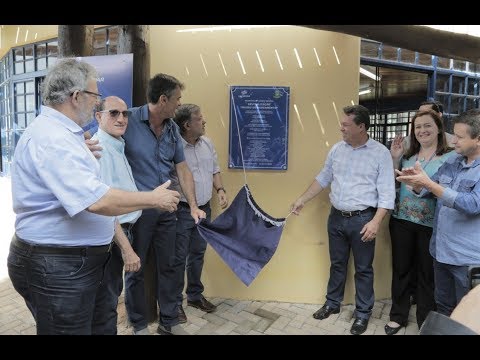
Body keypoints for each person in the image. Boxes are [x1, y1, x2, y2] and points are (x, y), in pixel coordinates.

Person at [7, 58, 180, 335]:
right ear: (76, 97)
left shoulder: (65, 135)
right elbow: (96, 201)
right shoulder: (55, 138)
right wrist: (153, 199)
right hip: (58, 267)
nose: (95, 103)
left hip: (71, 263)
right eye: (94, 96)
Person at [290, 105, 395, 335]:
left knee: (363, 269)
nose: (341, 128)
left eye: (346, 124)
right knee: (337, 264)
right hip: (336, 218)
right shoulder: (337, 150)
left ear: (361, 126)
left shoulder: (380, 153)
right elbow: (323, 178)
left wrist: (375, 222)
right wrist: (302, 199)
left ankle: (363, 314)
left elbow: (387, 193)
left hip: (363, 220)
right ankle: (332, 303)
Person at [122, 74, 205, 335]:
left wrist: (192, 205)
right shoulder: (128, 120)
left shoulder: (171, 129)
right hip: (138, 213)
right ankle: (138, 325)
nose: (179, 106)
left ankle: (168, 323)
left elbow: (182, 168)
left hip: (168, 211)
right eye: (177, 100)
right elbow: (102, 138)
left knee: (169, 266)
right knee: (135, 268)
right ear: (163, 99)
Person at [396, 108, 480, 317]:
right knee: (443, 307)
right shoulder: (454, 161)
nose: (454, 142)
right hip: (441, 252)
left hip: (467, 260)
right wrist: (416, 183)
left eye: (460, 137)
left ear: (478, 139)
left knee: (466, 316)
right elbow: (430, 188)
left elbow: (471, 204)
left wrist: (428, 185)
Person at [385, 110, 453, 335]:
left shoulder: (450, 157)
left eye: (427, 126)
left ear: (438, 129)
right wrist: (395, 157)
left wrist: (421, 186)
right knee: (401, 269)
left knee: (427, 274)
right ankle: (398, 315)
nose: (422, 131)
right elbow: (393, 184)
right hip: (401, 220)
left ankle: (425, 319)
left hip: (431, 224)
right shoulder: (408, 155)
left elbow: (446, 192)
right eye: (417, 128)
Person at [171, 104, 228, 323]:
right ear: (187, 125)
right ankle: (175, 303)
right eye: (199, 119)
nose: (204, 122)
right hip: (182, 211)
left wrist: (220, 190)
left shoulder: (208, 143)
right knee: (178, 259)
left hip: (205, 209)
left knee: (197, 254)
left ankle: (194, 295)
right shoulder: (175, 147)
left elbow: (215, 170)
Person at [90, 96, 142, 335]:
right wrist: (127, 248)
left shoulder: (115, 143)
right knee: (106, 304)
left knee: (110, 297)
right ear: (98, 117)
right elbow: (104, 208)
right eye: (114, 113)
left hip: (122, 233)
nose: (121, 118)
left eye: (125, 113)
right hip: (112, 238)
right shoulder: (100, 148)